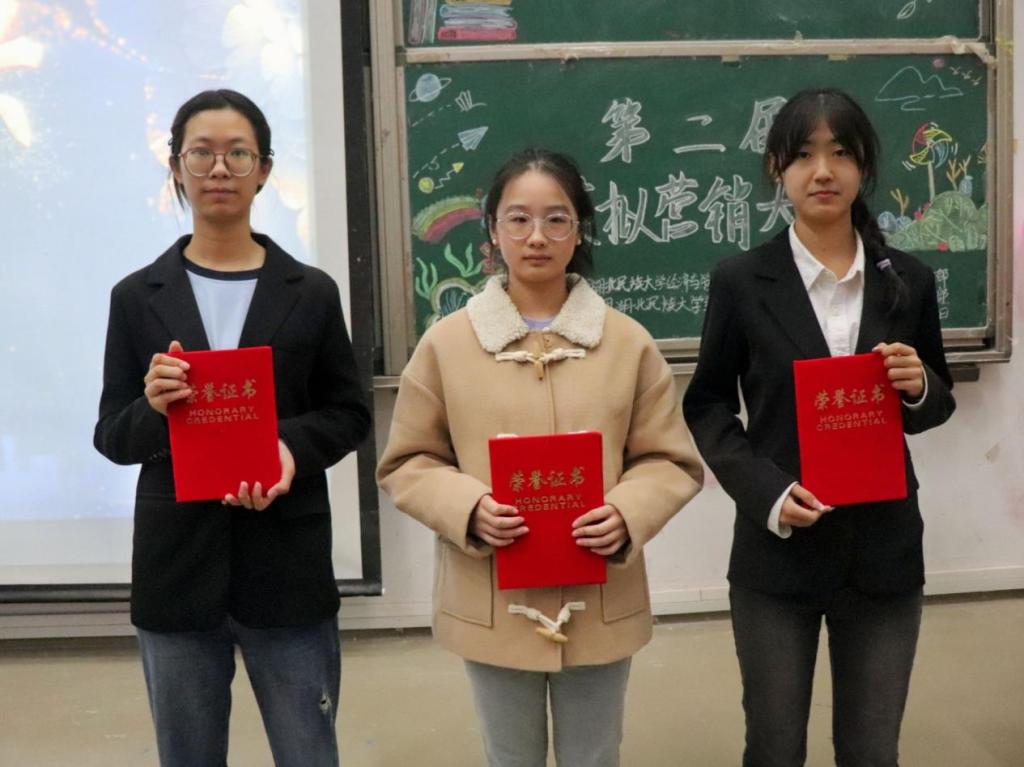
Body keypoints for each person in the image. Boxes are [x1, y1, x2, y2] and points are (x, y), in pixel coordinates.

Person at [376, 148, 703, 766]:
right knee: (509, 758)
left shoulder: (627, 342)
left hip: (600, 596)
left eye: (556, 219)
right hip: (492, 598)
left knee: (595, 756)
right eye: (518, 219)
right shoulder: (446, 344)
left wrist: (628, 512)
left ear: (579, 231)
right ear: (493, 230)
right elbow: (408, 462)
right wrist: (468, 508)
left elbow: (669, 460)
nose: (536, 237)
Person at [94, 89, 370, 767]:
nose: (220, 168)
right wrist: (153, 408)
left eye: (238, 153)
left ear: (264, 170)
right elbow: (112, 435)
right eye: (202, 153)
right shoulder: (137, 296)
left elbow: (349, 413)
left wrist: (287, 449)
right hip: (177, 572)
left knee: (308, 753)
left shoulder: (311, 292)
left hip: (288, 567)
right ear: (176, 167)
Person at [683, 88, 956, 767]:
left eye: (841, 154)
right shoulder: (741, 280)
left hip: (884, 553)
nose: (823, 171)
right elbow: (708, 404)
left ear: (865, 166)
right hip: (778, 554)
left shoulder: (908, 280)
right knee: (774, 747)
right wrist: (767, 492)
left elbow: (937, 402)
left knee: (872, 749)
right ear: (778, 168)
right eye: (804, 155)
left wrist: (919, 386)